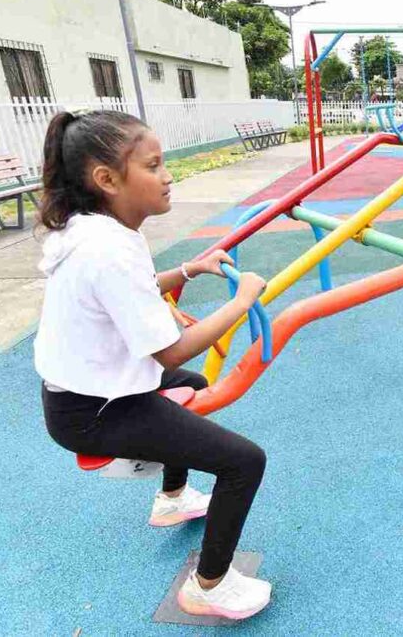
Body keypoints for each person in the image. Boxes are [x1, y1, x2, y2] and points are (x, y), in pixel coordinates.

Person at [34, 109, 272, 621]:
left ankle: (173, 496)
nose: (168, 176)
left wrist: (189, 269)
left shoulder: (99, 230)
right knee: (243, 462)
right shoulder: (107, 250)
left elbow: (134, 294)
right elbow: (171, 349)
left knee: (193, 384)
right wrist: (243, 299)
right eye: (154, 165)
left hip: (86, 390)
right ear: (107, 180)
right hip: (95, 411)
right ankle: (209, 584)